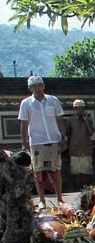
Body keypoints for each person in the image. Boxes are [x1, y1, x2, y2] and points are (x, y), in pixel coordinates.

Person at [17, 76, 65, 209]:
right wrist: (24, 140)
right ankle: (42, 200)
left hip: (54, 140)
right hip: (37, 142)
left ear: (43, 86)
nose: (37, 88)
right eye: (34, 86)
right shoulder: (26, 103)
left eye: (39, 85)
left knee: (56, 171)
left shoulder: (53, 100)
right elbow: (24, 123)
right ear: (30, 88)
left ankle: (60, 199)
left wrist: (63, 137)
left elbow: (60, 119)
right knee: (38, 173)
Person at [65, 99, 95, 190]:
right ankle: (78, 190)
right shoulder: (71, 120)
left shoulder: (89, 119)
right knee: (76, 172)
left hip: (86, 149)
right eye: (78, 108)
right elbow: (68, 134)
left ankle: (86, 190)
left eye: (81, 108)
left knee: (86, 172)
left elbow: (90, 133)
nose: (80, 110)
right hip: (75, 149)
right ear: (75, 109)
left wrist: (85, 121)